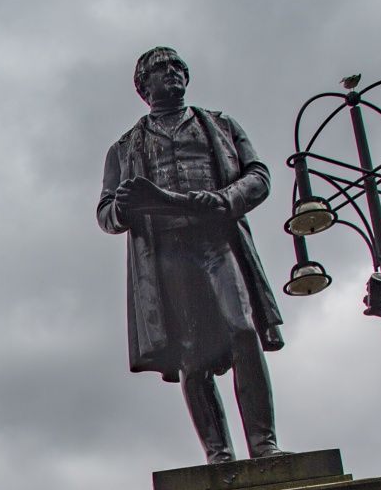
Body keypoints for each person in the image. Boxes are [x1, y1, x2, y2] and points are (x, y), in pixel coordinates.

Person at [97, 47, 285, 464]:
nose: (174, 74)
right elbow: (107, 213)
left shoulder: (219, 125)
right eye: (162, 70)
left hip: (217, 241)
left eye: (178, 67)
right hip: (168, 254)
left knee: (244, 331)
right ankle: (218, 454)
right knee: (191, 354)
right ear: (144, 87)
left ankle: (263, 444)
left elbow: (258, 176)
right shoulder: (124, 148)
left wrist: (225, 199)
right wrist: (125, 207)